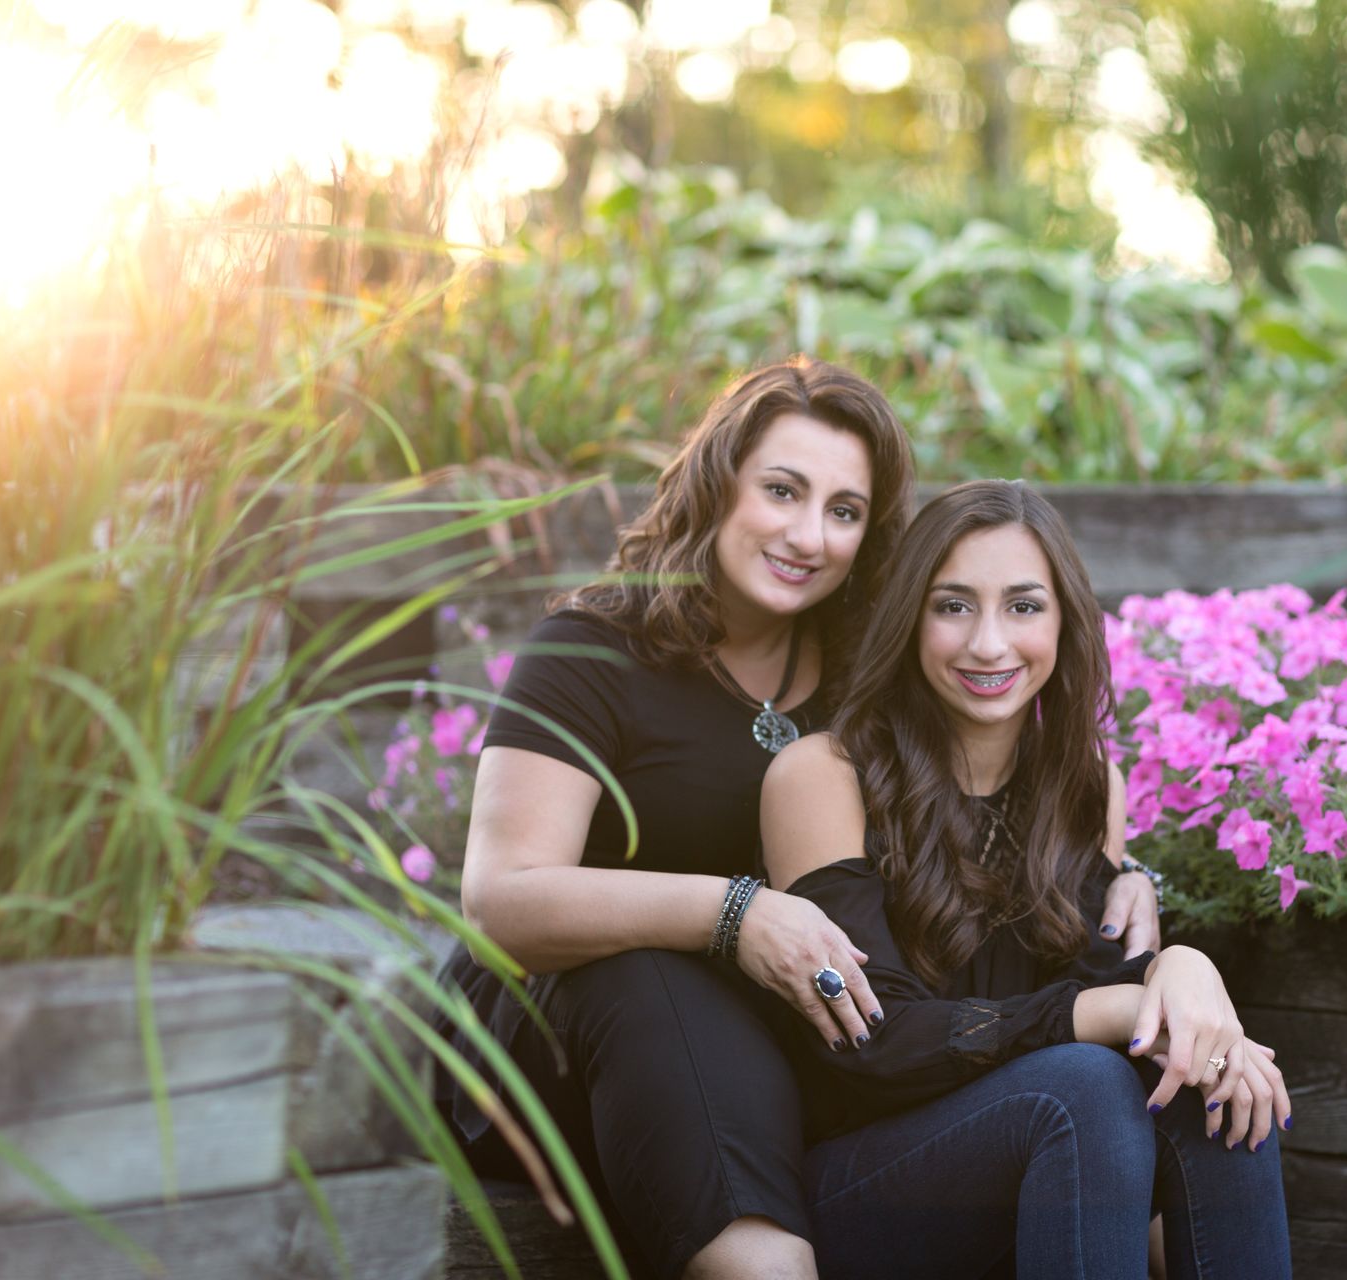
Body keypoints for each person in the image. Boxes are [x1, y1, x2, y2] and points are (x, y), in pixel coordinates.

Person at [436, 362, 1163, 1280]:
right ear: (718, 483)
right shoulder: (591, 654)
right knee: (658, 985)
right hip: (577, 1019)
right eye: (782, 491)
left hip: (797, 1029)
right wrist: (735, 914)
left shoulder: (872, 669)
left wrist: (1127, 873)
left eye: (845, 511)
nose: (808, 535)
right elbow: (502, 902)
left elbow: (996, 791)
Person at [761, 479, 1293, 1279]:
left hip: (1048, 1162)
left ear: (1063, 621)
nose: (987, 644)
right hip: (857, 1190)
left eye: (1022, 606)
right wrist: (1107, 1010)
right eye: (952, 606)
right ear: (910, 618)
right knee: (1082, 1085)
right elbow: (871, 1040)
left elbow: (1098, 987)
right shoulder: (824, 776)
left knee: (1222, 1081)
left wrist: (1183, 967)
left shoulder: (1084, 783)